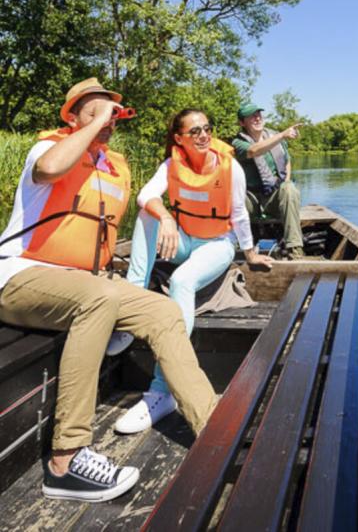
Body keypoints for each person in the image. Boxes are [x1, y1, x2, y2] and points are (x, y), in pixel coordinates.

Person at [0, 79, 217, 503]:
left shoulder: (115, 165)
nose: (105, 121)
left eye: (110, 114)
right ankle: (67, 460)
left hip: (83, 284)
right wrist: (95, 122)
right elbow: (51, 170)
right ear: (72, 117)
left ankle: (215, 425)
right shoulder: (48, 149)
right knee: (97, 298)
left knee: (163, 310)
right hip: (19, 276)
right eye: (93, 112)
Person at [110, 108, 272, 434]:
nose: (203, 135)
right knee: (147, 215)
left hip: (217, 244)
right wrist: (167, 218)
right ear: (179, 138)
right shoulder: (172, 164)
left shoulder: (231, 167)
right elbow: (145, 196)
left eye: (207, 129)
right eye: (194, 131)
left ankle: (163, 390)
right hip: (184, 239)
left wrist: (251, 254)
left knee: (182, 280)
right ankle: (129, 308)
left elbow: (239, 216)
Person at [232, 103, 304, 258]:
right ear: (242, 123)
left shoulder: (274, 136)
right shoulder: (238, 143)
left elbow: (286, 160)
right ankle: (235, 247)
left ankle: (295, 249)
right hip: (251, 200)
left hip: (273, 197)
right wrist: (282, 135)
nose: (257, 118)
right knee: (231, 196)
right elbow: (253, 150)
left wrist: (286, 182)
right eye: (252, 116)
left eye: (259, 114)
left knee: (289, 188)